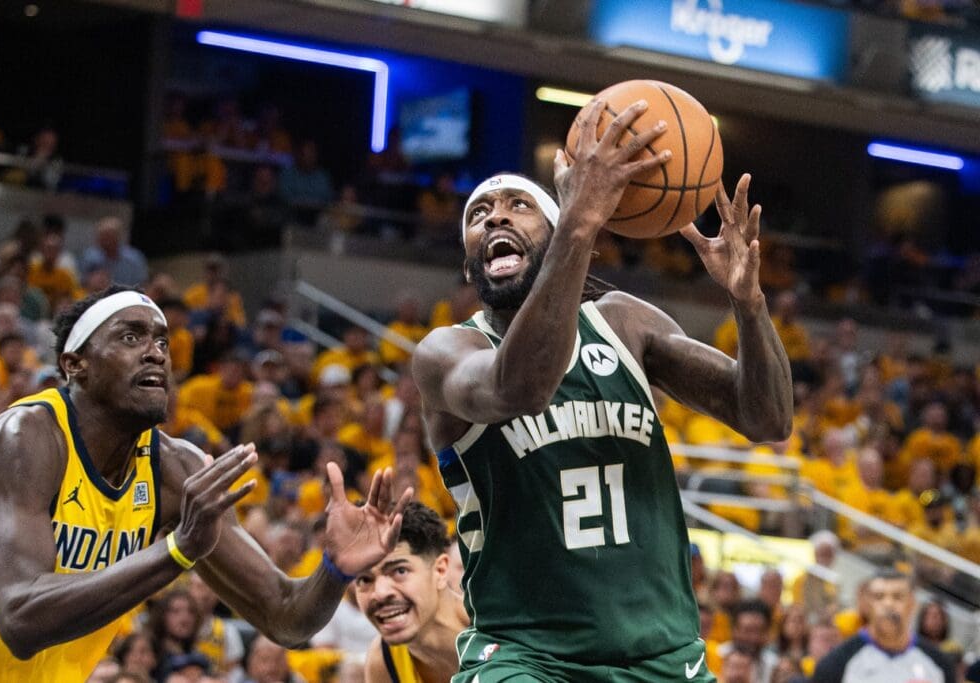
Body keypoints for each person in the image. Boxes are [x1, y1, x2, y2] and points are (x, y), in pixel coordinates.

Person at [411, 99, 793, 681]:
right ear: (469, 266)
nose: (494, 218)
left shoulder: (623, 323)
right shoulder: (447, 353)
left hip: (663, 656)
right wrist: (581, 222)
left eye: (519, 206)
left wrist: (749, 303)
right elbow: (521, 387)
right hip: (526, 657)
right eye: (478, 213)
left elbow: (767, 418)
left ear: (550, 230)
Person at [0, 285, 411, 681]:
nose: (155, 351)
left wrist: (334, 572)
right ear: (75, 364)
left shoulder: (175, 469)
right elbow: (20, 620)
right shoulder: (27, 438)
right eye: (131, 337)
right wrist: (178, 549)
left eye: (162, 340)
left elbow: (285, 616)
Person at [355, 502, 468, 683]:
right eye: (364, 579)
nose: (380, 593)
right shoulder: (383, 662)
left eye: (400, 571)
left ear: (440, 571)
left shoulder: (502, 628)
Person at [811, 569, 955, 683]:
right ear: (866, 604)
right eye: (879, 597)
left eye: (898, 597)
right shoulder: (836, 663)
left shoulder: (939, 664)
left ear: (912, 604)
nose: (888, 604)